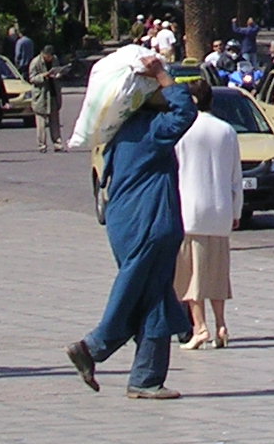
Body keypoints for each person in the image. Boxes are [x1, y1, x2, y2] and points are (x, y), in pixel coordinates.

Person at [66, 52, 196, 400]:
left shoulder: (121, 133)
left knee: (153, 298)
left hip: (132, 222)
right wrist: (165, 77)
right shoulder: (149, 129)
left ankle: (146, 379)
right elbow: (186, 113)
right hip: (148, 222)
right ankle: (93, 346)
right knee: (135, 291)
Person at [173, 76, 241, 351]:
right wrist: (236, 210)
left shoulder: (182, 130)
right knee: (217, 272)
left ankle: (199, 328)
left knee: (192, 274)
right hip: (221, 209)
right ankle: (221, 325)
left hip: (190, 210)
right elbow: (236, 176)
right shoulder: (227, 131)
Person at [29, 47, 66, 152]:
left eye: (51, 56)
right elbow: (32, 78)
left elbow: (58, 70)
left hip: (53, 93)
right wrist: (44, 76)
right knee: (41, 123)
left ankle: (57, 143)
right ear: (43, 54)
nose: (50, 59)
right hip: (41, 95)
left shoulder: (55, 59)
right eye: (48, 57)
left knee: (55, 121)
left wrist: (59, 74)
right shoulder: (35, 62)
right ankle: (42, 145)